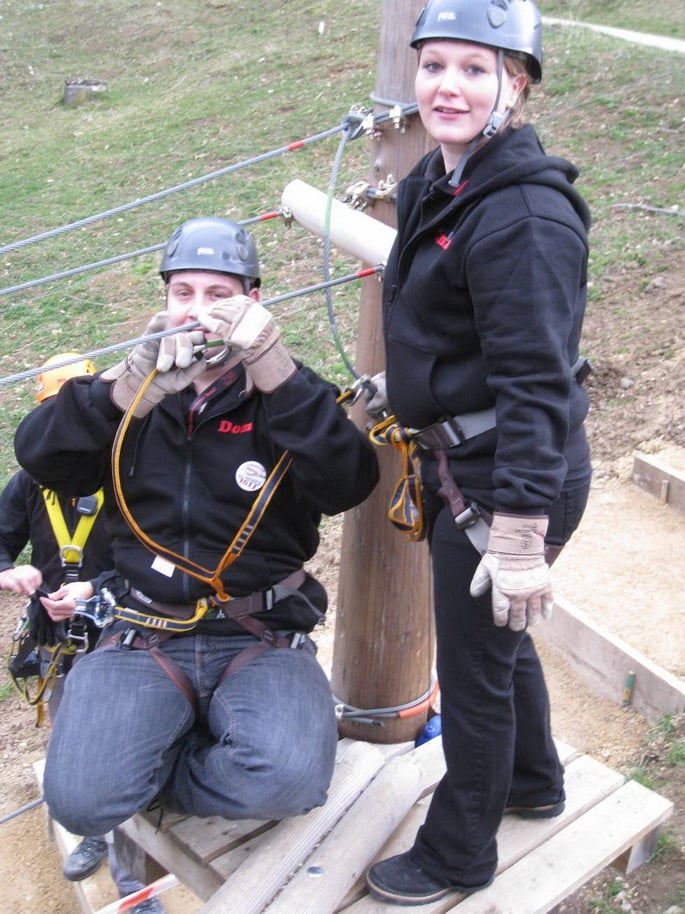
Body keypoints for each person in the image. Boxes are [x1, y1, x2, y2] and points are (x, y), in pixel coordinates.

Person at [14, 219, 379, 867]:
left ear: (253, 301)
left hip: (258, 632)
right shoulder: (131, 396)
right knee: (80, 801)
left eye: (219, 295)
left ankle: (166, 760)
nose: (199, 310)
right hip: (142, 629)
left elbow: (346, 482)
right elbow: (41, 457)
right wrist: (126, 388)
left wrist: (275, 370)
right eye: (183, 293)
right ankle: (164, 743)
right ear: (165, 300)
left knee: (288, 781)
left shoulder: (288, 394)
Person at [364, 0, 592, 905]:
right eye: (433, 66)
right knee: (493, 644)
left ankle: (457, 853)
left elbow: (537, 383)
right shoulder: (441, 180)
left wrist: (520, 534)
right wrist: (407, 389)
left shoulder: (524, 217)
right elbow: (447, 322)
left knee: (472, 674)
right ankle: (532, 782)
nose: (446, 87)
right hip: (471, 461)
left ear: (516, 85)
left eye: (474, 68)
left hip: (511, 481)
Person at [1, 353, 114, 888]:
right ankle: (92, 823)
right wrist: (8, 570)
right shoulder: (29, 483)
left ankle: (139, 810)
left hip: (125, 624)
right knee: (70, 727)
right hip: (58, 634)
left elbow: (161, 557)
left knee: (133, 722)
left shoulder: (128, 475)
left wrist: (99, 586)